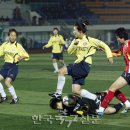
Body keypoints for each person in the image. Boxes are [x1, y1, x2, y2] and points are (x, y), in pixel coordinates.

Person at [49, 17, 113, 103]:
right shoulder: (76, 40)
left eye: (75, 30)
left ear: (80, 31)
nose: (73, 32)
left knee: (61, 71)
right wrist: (74, 43)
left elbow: (104, 45)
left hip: (84, 65)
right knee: (76, 90)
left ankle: (58, 93)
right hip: (80, 65)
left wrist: (109, 56)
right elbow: (69, 52)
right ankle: (95, 98)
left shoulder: (90, 40)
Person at [97, 27, 130, 115]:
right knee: (113, 89)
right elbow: (115, 53)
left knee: (112, 89)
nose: (117, 39)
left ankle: (101, 109)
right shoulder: (124, 47)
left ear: (122, 37)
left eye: (117, 37)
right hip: (127, 74)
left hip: (128, 74)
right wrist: (104, 49)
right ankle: (127, 104)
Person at [0, 28, 29, 104]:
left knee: (7, 82)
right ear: (8, 36)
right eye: (11, 35)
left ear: (16, 37)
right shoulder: (4, 45)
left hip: (13, 66)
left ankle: (15, 98)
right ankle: (3, 96)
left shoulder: (18, 46)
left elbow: (26, 55)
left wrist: (22, 57)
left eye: (14, 35)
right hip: (5, 66)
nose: (13, 37)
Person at [49, 92, 124, 116]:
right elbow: (80, 113)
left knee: (111, 92)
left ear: (59, 101)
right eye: (56, 108)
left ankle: (124, 100)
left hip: (93, 100)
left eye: (56, 105)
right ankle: (123, 103)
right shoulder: (66, 111)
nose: (57, 107)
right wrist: (84, 112)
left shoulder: (67, 99)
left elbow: (76, 98)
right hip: (93, 109)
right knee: (111, 111)